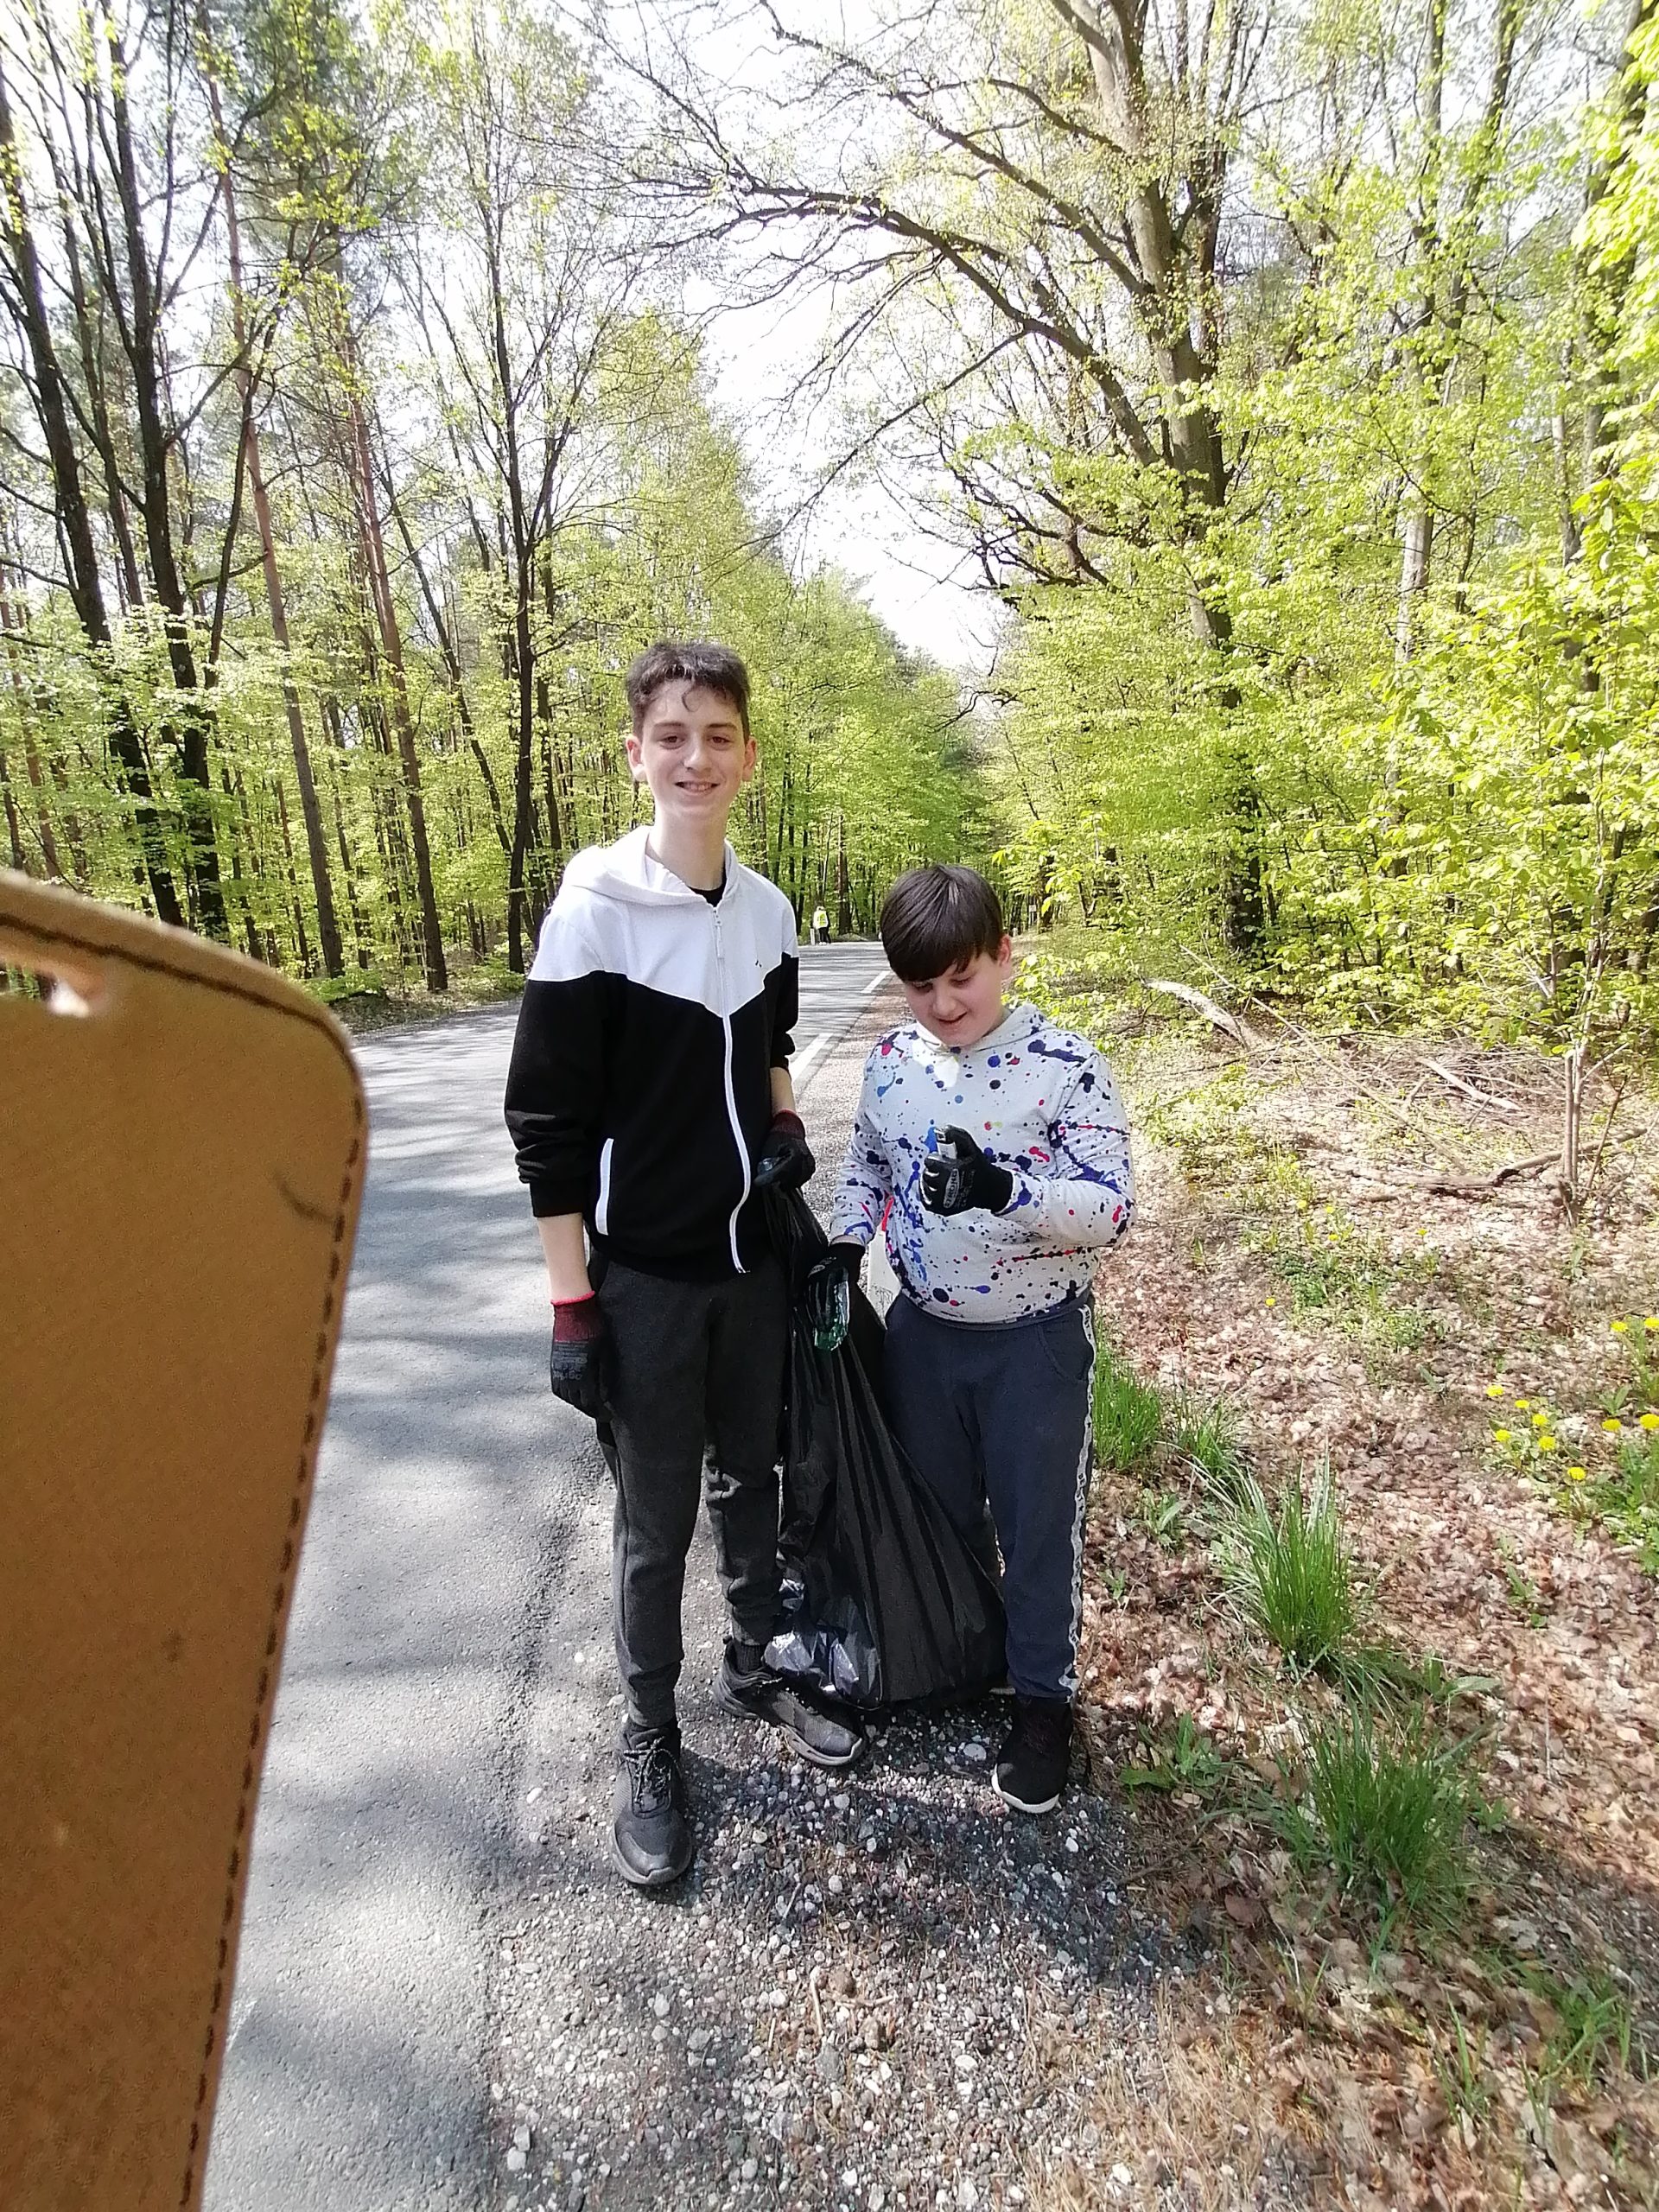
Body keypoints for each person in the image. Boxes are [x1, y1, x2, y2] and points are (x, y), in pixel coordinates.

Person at [504, 640, 864, 1893]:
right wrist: (572, 1305)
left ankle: (757, 1660)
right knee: (654, 1524)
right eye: (672, 736)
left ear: (748, 757)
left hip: (749, 1266)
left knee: (751, 1479)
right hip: (645, 1279)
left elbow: (771, 1044)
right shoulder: (593, 911)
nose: (695, 758)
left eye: (717, 737)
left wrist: (784, 1125)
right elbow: (546, 1128)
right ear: (636, 755)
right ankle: (649, 1736)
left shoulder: (766, 910)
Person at [819, 864, 1134, 1815]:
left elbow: (1111, 1210)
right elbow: (868, 1169)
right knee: (940, 1511)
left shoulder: (1066, 1064)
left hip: (1035, 1345)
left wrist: (1004, 1189)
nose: (945, 1003)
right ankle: (964, 1653)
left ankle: (1043, 1702)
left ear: (1005, 955)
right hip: (925, 1336)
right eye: (921, 985)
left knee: (1037, 1529)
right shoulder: (891, 1063)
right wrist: (844, 1248)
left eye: (963, 977)